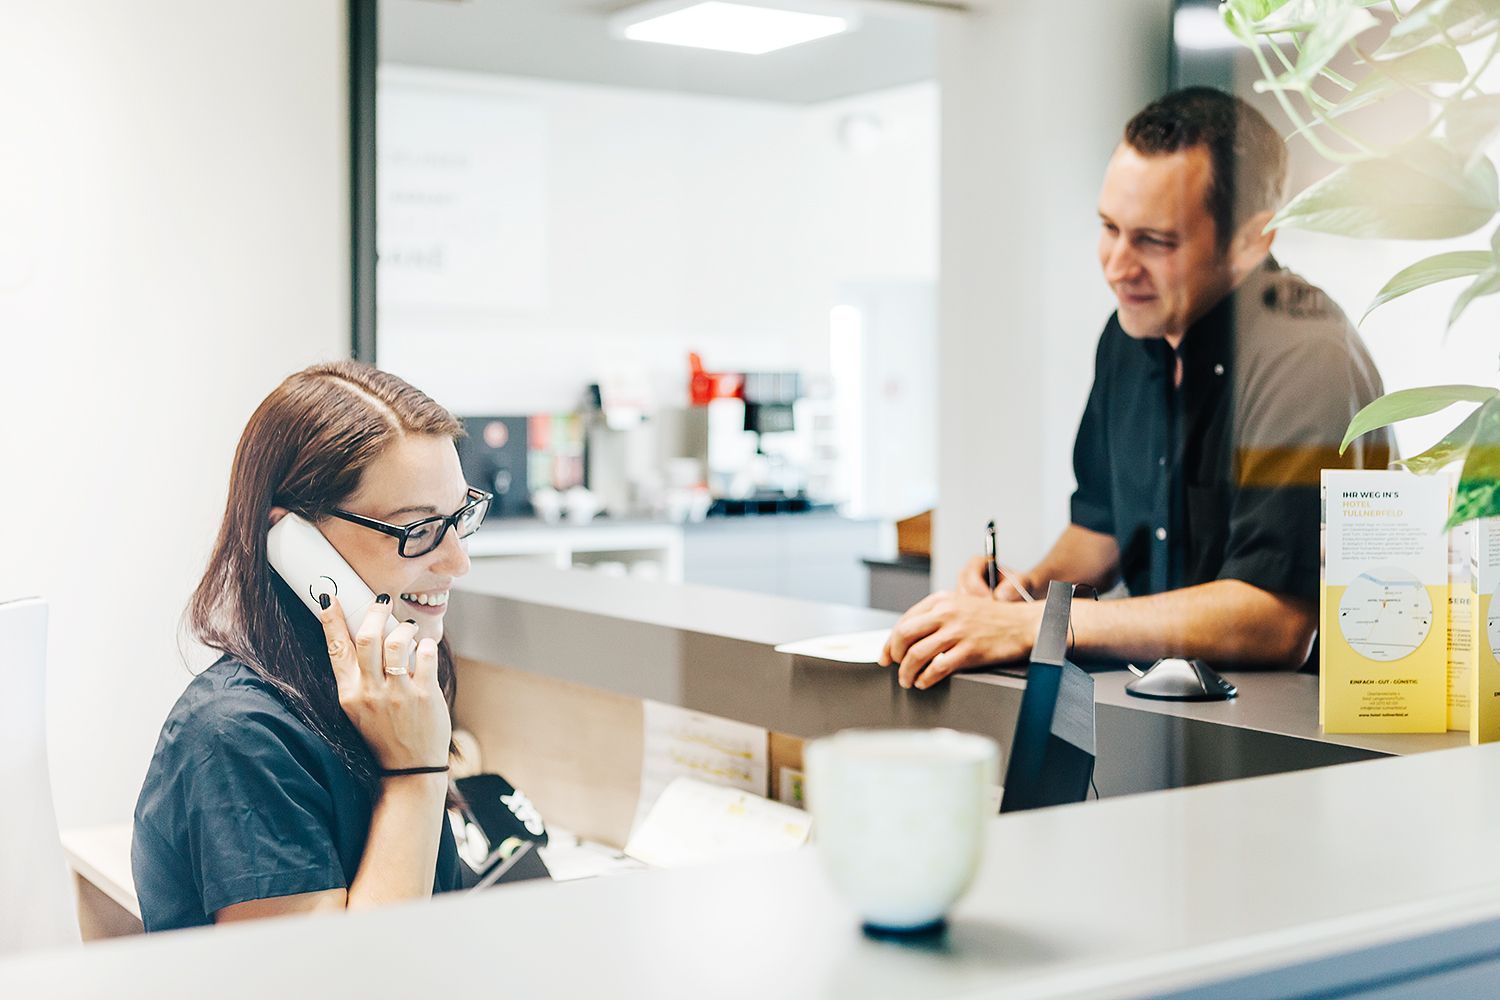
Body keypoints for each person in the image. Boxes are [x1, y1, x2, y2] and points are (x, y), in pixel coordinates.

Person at [881, 87, 1391, 690]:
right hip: (1162, 707)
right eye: (1108, 228)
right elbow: (1100, 531)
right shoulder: (1129, 335)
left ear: (1252, 240)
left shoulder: (1307, 356)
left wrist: (1047, 624)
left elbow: (1276, 622)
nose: (1117, 266)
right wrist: (1020, 596)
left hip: (1292, 733)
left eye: (1155, 241)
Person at [132, 361, 491, 930]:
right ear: (293, 539)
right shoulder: (238, 737)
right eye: (418, 530)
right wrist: (416, 776)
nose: (457, 561)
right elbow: (330, 986)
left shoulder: (385, 690)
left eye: (460, 517)